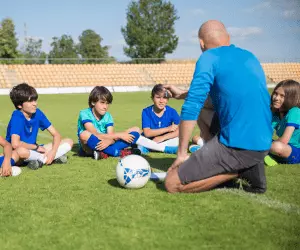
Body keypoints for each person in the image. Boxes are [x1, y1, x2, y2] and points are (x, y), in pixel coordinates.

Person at [164, 20, 273, 194]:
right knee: (206, 109)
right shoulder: (249, 56)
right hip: (264, 142)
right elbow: (228, 92)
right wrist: (183, 93)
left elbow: (192, 106)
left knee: (172, 183)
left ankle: (236, 171)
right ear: (228, 38)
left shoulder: (209, 57)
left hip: (239, 145)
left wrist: (181, 153)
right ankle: (242, 163)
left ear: (201, 43)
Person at [78, 86, 178, 160]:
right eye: (102, 103)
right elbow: (95, 134)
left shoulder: (107, 116)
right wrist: (120, 135)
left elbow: (110, 137)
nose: (105, 106)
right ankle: (117, 152)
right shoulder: (84, 113)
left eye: (107, 103)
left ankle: (104, 153)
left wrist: (110, 140)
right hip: (89, 147)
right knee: (84, 134)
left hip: (105, 143)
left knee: (135, 131)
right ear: (93, 102)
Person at [6, 83, 73, 170]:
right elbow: (15, 144)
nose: (35, 104)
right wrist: (36, 147)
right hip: (19, 153)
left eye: (35, 100)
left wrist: (53, 151)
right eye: (30, 101)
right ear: (19, 105)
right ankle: (47, 158)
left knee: (69, 141)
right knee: (21, 151)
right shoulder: (17, 116)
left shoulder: (37, 113)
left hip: (34, 150)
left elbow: (56, 135)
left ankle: (43, 159)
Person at [264, 80, 300, 166]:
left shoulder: (295, 112)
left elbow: (284, 140)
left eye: (282, 96)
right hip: (280, 147)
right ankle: (268, 156)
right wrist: (271, 111)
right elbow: (265, 134)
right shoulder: (276, 114)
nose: (276, 98)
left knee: (276, 147)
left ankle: (262, 153)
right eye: (275, 94)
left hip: (295, 150)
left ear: (291, 98)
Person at [139, 84, 180, 154]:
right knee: (137, 136)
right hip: (150, 139)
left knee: (178, 140)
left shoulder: (172, 111)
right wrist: (168, 129)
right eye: (158, 97)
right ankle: (165, 149)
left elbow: (180, 130)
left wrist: (163, 137)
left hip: (165, 139)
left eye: (164, 98)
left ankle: (150, 148)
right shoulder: (146, 111)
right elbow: (147, 133)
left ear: (168, 99)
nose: (161, 101)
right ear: (152, 98)